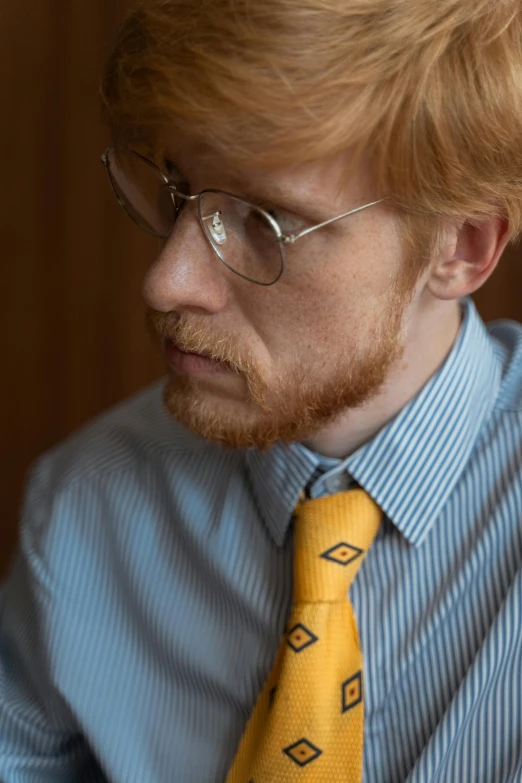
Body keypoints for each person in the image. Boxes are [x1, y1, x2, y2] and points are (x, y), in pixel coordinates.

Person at [2, 0, 522, 780]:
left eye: (265, 221)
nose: (165, 281)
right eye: (179, 189)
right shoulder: (87, 504)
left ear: (460, 246)